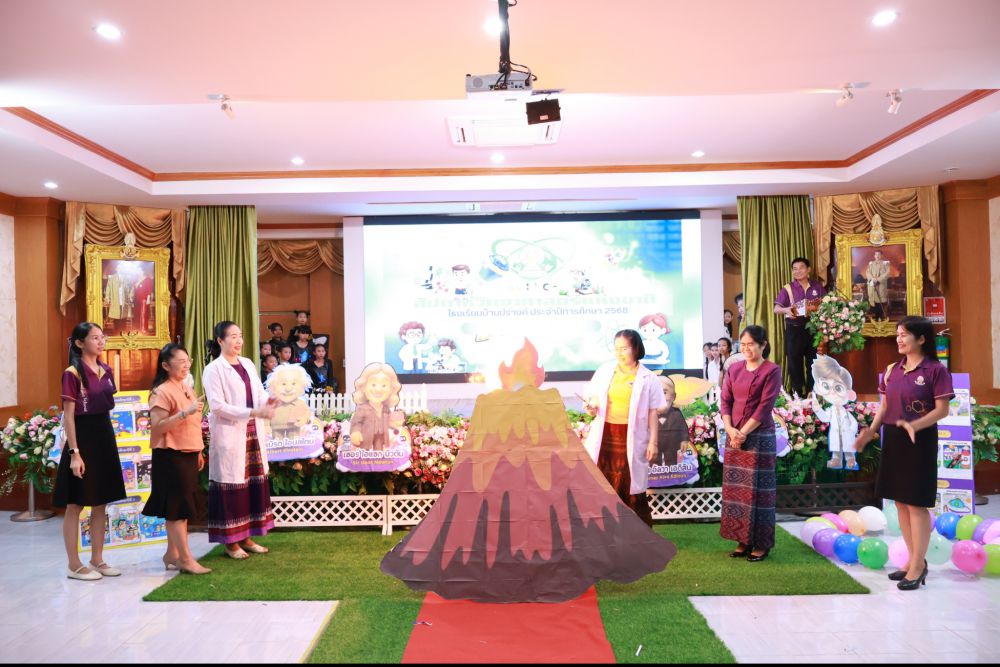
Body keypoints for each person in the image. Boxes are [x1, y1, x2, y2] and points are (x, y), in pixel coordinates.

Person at [855, 316, 953, 590]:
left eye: (904, 334)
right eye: (897, 334)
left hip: (919, 440)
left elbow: (942, 410)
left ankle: (918, 565)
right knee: (899, 502)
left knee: (916, 503)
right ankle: (913, 560)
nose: (898, 339)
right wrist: (871, 431)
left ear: (921, 339)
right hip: (895, 437)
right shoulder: (892, 370)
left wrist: (915, 425)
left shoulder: (936, 370)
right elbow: (885, 406)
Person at [53, 323, 127, 581]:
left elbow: (106, 404)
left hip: (104, 436)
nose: (101, 341)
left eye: (102, 337)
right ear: (79, 343)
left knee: (100, 502)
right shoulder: (72, 373)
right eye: (95, 338)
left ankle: (97, 559)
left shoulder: (106, 369)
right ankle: (74, 564)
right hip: (81, 438)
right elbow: (69, 417)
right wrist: (75, 453)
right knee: (75, 503)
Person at [201, 321, 279, 560]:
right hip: (231, 433)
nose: (238, 341)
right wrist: (253, 412)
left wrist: (269, 401)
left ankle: (246, 537)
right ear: (220, 341)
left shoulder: (247, 363)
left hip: (252, 433)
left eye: (240, 336)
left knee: (251, 485)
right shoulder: (214, 369)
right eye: (232, 336)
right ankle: (231, 543)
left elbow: (259, 393)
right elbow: (217, 406)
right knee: (232, 488)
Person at [582, 329, 666, 527]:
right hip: (606, 434)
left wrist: (653, 442)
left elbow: (653, 412)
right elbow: (591, 400)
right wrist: (591, 408)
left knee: (630, 483)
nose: (620, 353)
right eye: (616, 348)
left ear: (636, 348)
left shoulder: (648, 378)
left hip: (632, 436)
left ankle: (636, 531)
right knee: (602, 479)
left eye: (625, 348)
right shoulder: (604, 371)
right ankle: (604, 529)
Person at [141, 344, 211, 575]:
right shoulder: (161, 392)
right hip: (170, 456)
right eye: (180, 361)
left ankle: (172, 554)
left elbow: (193, 424)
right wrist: (184, 412)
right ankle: (185, 559)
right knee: (177, 509)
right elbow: (158, 427)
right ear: (165, 365)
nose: (186, 365)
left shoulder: (186, 387)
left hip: (188, 453)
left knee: (182, 506)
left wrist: (198, 450)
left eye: (187, 361)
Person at [719, 325, 783, 562]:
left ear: (763, 345)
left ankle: (762, 544)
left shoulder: (771, 370)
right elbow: (725, 401)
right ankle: (742, 540)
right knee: (737, 491)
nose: (746, 349)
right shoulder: (734, 369)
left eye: (751, 344)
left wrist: (742, 433)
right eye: (743, 344)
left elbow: (765, 406)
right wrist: (730, 429)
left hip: (759, 437)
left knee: (760, 492)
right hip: (734, 434)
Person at [773, 257, 826, 397]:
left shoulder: (817, 286)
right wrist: (786, 310)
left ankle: (812, 393)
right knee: (794, 363)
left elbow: (826, 304)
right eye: (795, 269)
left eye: (801, 268)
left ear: (808, 270)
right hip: (794, 329)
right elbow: (776, 309)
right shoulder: (788, 288)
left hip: (813, 329)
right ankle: (798, 394)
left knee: (813, 362)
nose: (798, 271)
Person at [349, 362, 405, 451]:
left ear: (391, 389)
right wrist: (356, 432)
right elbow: (356, 422)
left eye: (384, 385)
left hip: (381, 438)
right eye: (373, 385)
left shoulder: (386, 409)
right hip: (366, 438)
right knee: (366, 453)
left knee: (379, 453)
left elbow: (388, 421)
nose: (378, 389)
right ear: (363, 387)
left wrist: (395, 424)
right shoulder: (362, 409)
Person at [865, 250, 891, 319]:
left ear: (882, 255)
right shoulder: (871, 264)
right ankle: (874, 317)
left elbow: (887, 273)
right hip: (872, 284)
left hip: (881, 285)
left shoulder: (885, 264)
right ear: (874, 256)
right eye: (876, 255)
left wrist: (878, 279)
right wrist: (872, 279)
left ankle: (880, 317)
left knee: (880, 300)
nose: (877, 256)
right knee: (873, 300)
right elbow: (867, 272)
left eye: (879, 254)